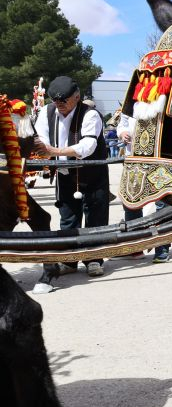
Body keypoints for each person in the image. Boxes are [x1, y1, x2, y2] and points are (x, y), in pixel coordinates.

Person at [33, 76, 109, 277]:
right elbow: (41, 138)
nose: (59, 106)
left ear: (76, 97)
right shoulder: (46, 112)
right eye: (55, 102)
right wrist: (44, 151)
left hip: (92, 173)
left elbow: (88, 146)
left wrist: (54, 152)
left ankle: (94, 259)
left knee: (96, 218)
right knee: (68, 218)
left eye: (63, 102)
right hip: (66, 173)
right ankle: (69, 259)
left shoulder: (90, 114)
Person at [117, 112, 171, 263]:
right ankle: (135, 246)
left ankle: (162, 246)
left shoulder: (164, 94)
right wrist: (123, 133)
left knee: (162, 203)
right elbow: (122, 123)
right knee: (131, 203)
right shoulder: (132, 99)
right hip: (134, 158)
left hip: (159, 158)